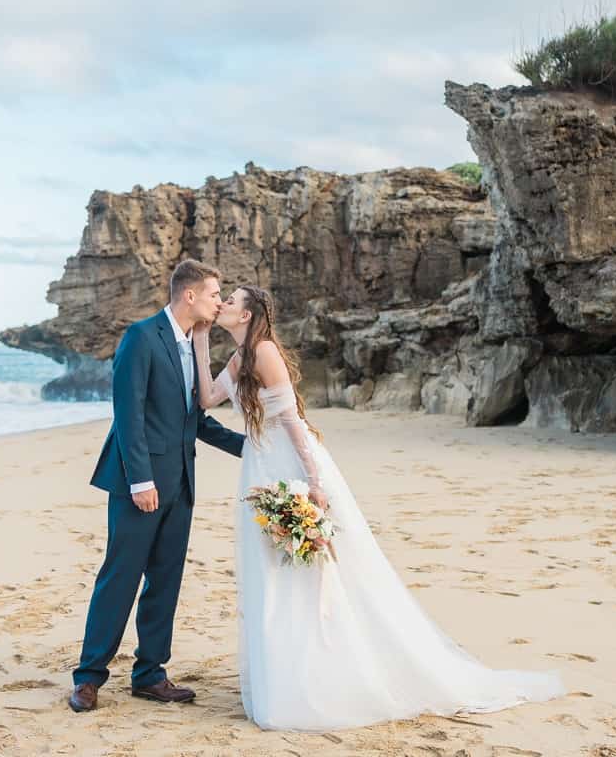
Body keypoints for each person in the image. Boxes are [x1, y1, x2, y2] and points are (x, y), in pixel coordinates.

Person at [193, 284, 564, 731]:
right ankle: (290, 674)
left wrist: (313, 481)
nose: (224, 305)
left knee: (312, 569)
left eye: (230, 301)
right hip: (259, 465)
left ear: (248, 315)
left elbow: (291, 420)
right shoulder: (237, 359)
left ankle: (324, 673)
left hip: (288, 464)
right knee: (273, 570)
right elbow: (207, 399)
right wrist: (198, 337)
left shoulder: (265, 352)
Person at [68, 259, 246, 713]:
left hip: (181, 484)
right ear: (189, 295)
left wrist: (253, 448)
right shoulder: (141, 337)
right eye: (213, 294)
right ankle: (89, 678)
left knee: (165, 581)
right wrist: (140, 481)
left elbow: (195, 421)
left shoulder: (192, 346)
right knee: (120, 577)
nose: (218, 301)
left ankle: (150, 674)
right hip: (139, 484)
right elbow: (128, 415)